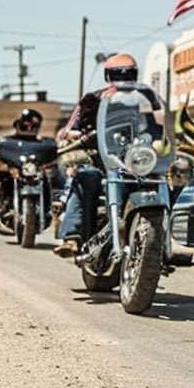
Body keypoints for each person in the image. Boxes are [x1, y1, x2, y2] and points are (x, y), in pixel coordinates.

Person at [53, 55, 141, 258]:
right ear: (108, 76)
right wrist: (75, 134)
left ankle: (159, 241)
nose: (123, 78)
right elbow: (69, 129)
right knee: (86, 177)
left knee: (158, 181)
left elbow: (159, 123)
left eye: (128, 73)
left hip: (134, 161)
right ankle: (72, 237)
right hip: (100, 160)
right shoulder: (93, 99)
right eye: (117, 74)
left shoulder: (143, 100)